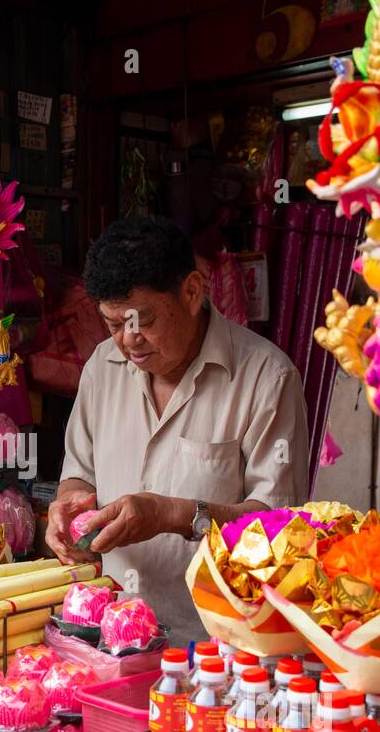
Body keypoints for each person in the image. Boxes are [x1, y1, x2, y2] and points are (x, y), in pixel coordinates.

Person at [46, 216, 310, 639]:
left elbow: (280, 527)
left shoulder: (267, 378)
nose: (128, 340)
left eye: (142, 320)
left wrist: (171, 515)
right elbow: (79, 473)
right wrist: (70, 506)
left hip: (215, 649)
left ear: (191, 291)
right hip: (108, 634)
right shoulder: (101, 367)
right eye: (114, 325)